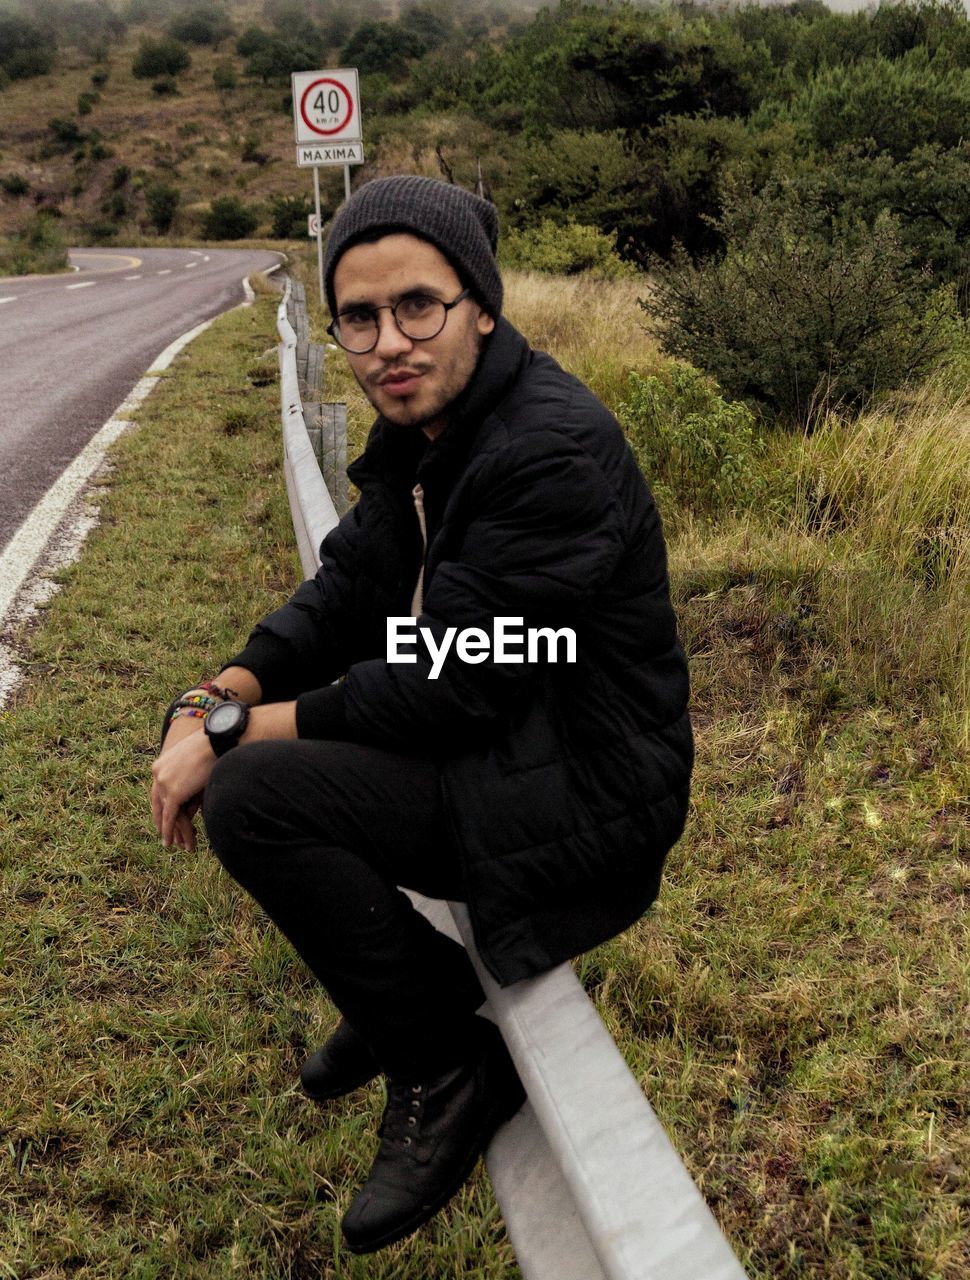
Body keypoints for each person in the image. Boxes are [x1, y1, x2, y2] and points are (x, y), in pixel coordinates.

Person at [150, 174, 693, 1254]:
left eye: (418, 306)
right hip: (514, 747)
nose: (389, 341)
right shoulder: (435, 425)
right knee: (273, 738)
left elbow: (456, 677)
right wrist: (226, 687)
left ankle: (445, 1061)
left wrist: (229, 738)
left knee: (257, 791)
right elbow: (351, 585)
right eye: (360, 315)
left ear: (480, 305)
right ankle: (402, 990)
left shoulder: (543, 447)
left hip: (585, 792)